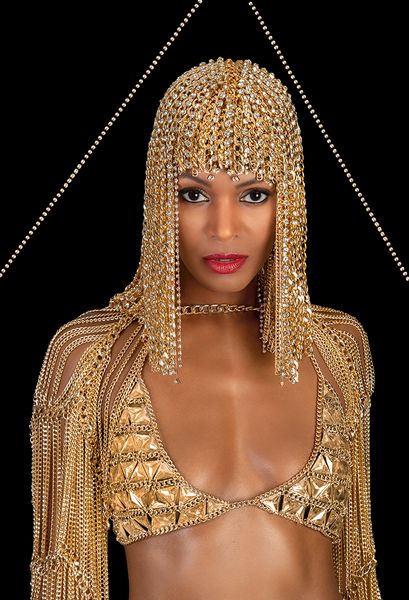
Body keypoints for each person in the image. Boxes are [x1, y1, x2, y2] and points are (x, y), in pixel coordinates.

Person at [29, 57, 382, 599]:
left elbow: (358, 567)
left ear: (289, 201)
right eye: (193, 194)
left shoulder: (336, 348)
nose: (223, 228)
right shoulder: (92, 358)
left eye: (254, 194)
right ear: (158, 198)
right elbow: (64, 578)